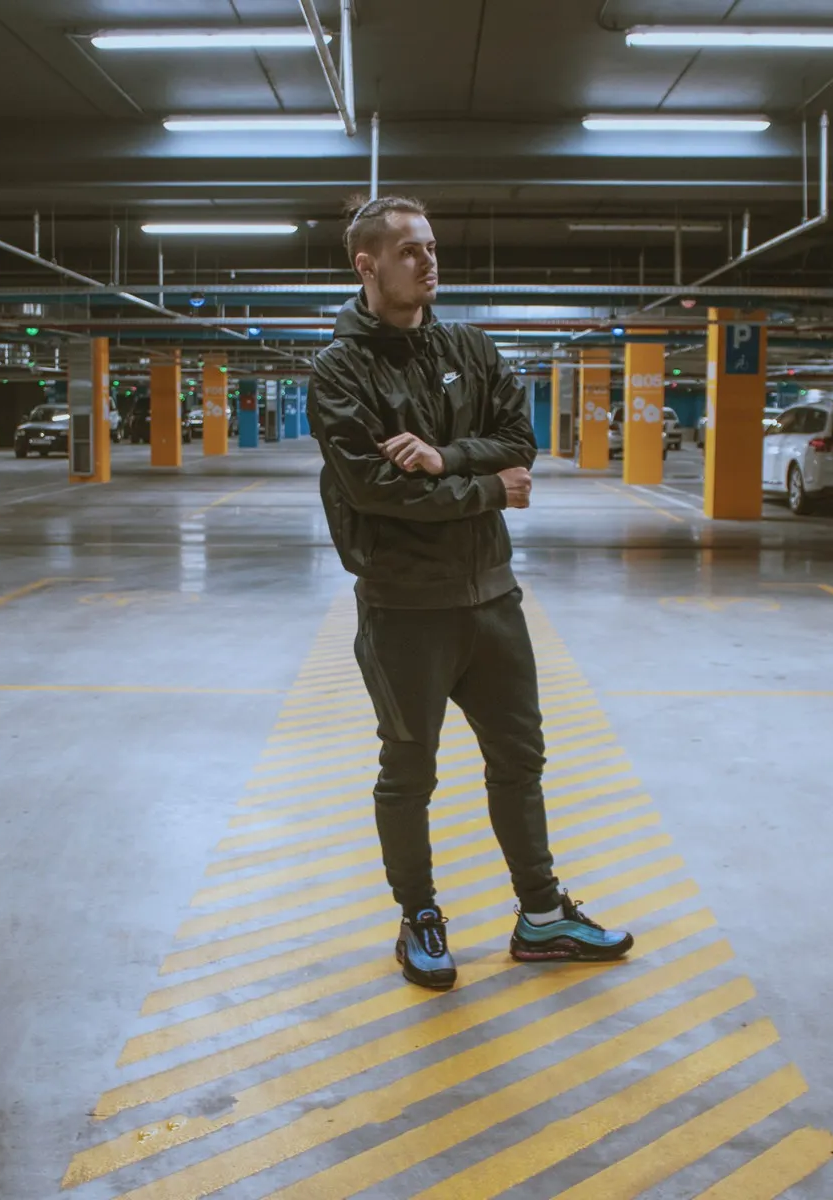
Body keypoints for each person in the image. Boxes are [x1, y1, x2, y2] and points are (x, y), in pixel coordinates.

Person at [308, 196, 634, 990]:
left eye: (430, 247)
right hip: (403, 607)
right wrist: (488, 488)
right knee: (409, 772)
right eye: (409, 250)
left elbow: (520, 443)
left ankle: (542, 917)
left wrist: (446, 459)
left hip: (491, 599)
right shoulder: (339, 370)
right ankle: (418, 916)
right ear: (367, 265)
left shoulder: (470, 346)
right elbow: (377, 490)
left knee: (519, 760)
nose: (428, 261)